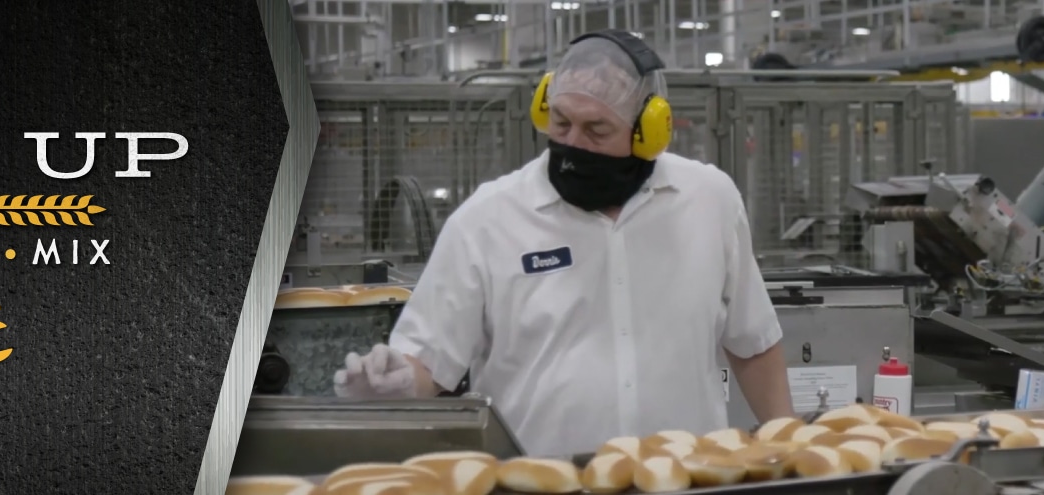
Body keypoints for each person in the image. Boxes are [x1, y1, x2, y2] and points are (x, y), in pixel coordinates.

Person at [329, 31, 796, 456]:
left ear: (648, 131)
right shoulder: (487, 220)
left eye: (597, 130)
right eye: (561, 123)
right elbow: (429, 364)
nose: (574, 144)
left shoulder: (708, 202)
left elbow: (751, 342)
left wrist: (794, 452)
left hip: (683, 479)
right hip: (539, 483)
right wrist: (392, 383)